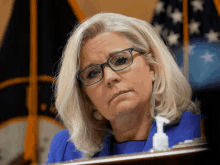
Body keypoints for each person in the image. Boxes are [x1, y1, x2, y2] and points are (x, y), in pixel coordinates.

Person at [45, 13, 201, 164]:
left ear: (153, 67)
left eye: (120, 60)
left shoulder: (197, 133)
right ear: (86, 97)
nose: (109, 78)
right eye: (93, 73)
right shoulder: (67, 150)